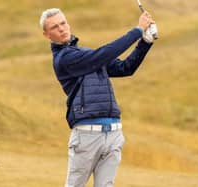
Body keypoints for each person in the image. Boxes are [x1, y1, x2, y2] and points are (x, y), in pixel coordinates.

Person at [40, 8, 156, 187]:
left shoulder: (87, 54)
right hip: (87, 136)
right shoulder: (64, 58)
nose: (61, 29)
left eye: (63, 23)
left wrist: (145, 42)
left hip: (113, 132)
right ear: (47, 35)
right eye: (55, 27)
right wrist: (137, 31)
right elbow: (103, 55)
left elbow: (126, 68)